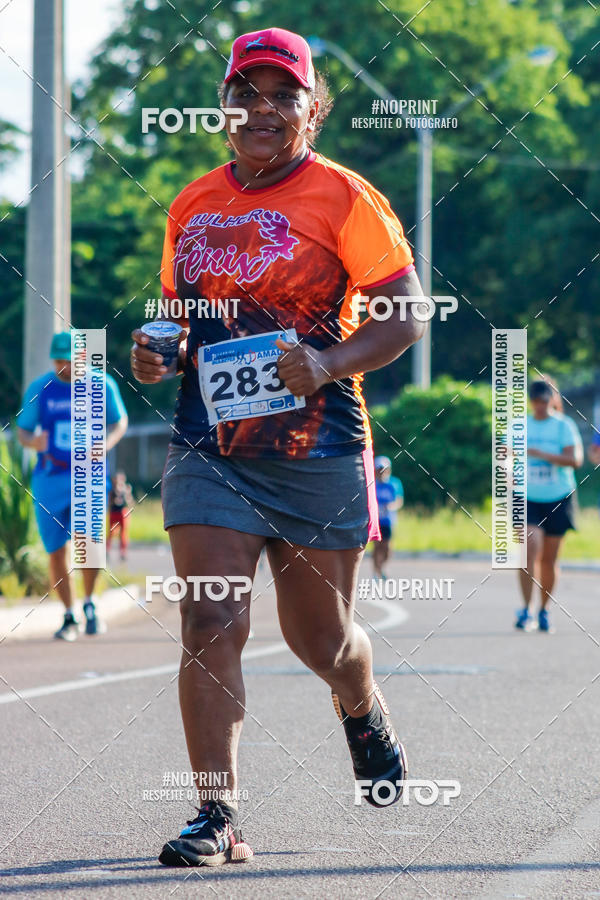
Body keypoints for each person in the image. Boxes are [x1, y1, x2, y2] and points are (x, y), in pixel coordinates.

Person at [131, 26, 426, 867]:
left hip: (317, 444)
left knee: (321, 641)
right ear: (222, 108)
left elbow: (405, 314)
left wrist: (328, 360)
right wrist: (158, 352)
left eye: (282, 95)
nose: (262, 110)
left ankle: (359, 703)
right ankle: (216, 817)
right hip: (209, 445)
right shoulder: (191, 203)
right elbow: (179, 322)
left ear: (311, 108)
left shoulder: (344, 196)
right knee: (209, 614)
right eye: (245, 94)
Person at [17, 331, 128, 639]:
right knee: (56, 550)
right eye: (59, 360)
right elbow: (22, 431)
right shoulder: (41, 388)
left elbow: (120, 421)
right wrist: (33, 441)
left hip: (89, 474)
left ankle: (90, 603)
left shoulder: (102, 384)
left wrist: (106, 443)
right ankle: (68, 614)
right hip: (50, 477)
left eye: (70, 359)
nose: (64, 366)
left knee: (90, 543)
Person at [516, 379, 583, 633]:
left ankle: (544, 610)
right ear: (531, 402)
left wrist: (540, 454)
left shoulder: (563, 426)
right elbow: (505, 456)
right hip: (527, 497)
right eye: (536, 403)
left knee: (548, 560)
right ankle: (525, 609)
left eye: (544, 402)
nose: (540, 407)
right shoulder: (520, 425)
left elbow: (575, 460)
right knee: (529, 548)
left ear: (551, 400)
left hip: (559, 497)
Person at [373, 455, 404, 579]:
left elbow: (399, 500)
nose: (382, 472)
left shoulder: (394, 483)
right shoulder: (372, 485)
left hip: (388, 520)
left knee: (387, 548)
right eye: (379, 470)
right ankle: (377, 570)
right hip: (376, 521)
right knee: (376, 546)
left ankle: (381, 565)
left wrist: (391, 506)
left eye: (384, 469)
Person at [107, 470, 133, 561]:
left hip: (123, 512)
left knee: (123, 534)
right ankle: (107, 550)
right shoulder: (112, 490)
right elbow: (109, 502)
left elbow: (130, 502)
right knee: (111, 533)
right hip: (114, 512)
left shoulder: (126, 489)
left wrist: (127, 495)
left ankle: (123, 552)